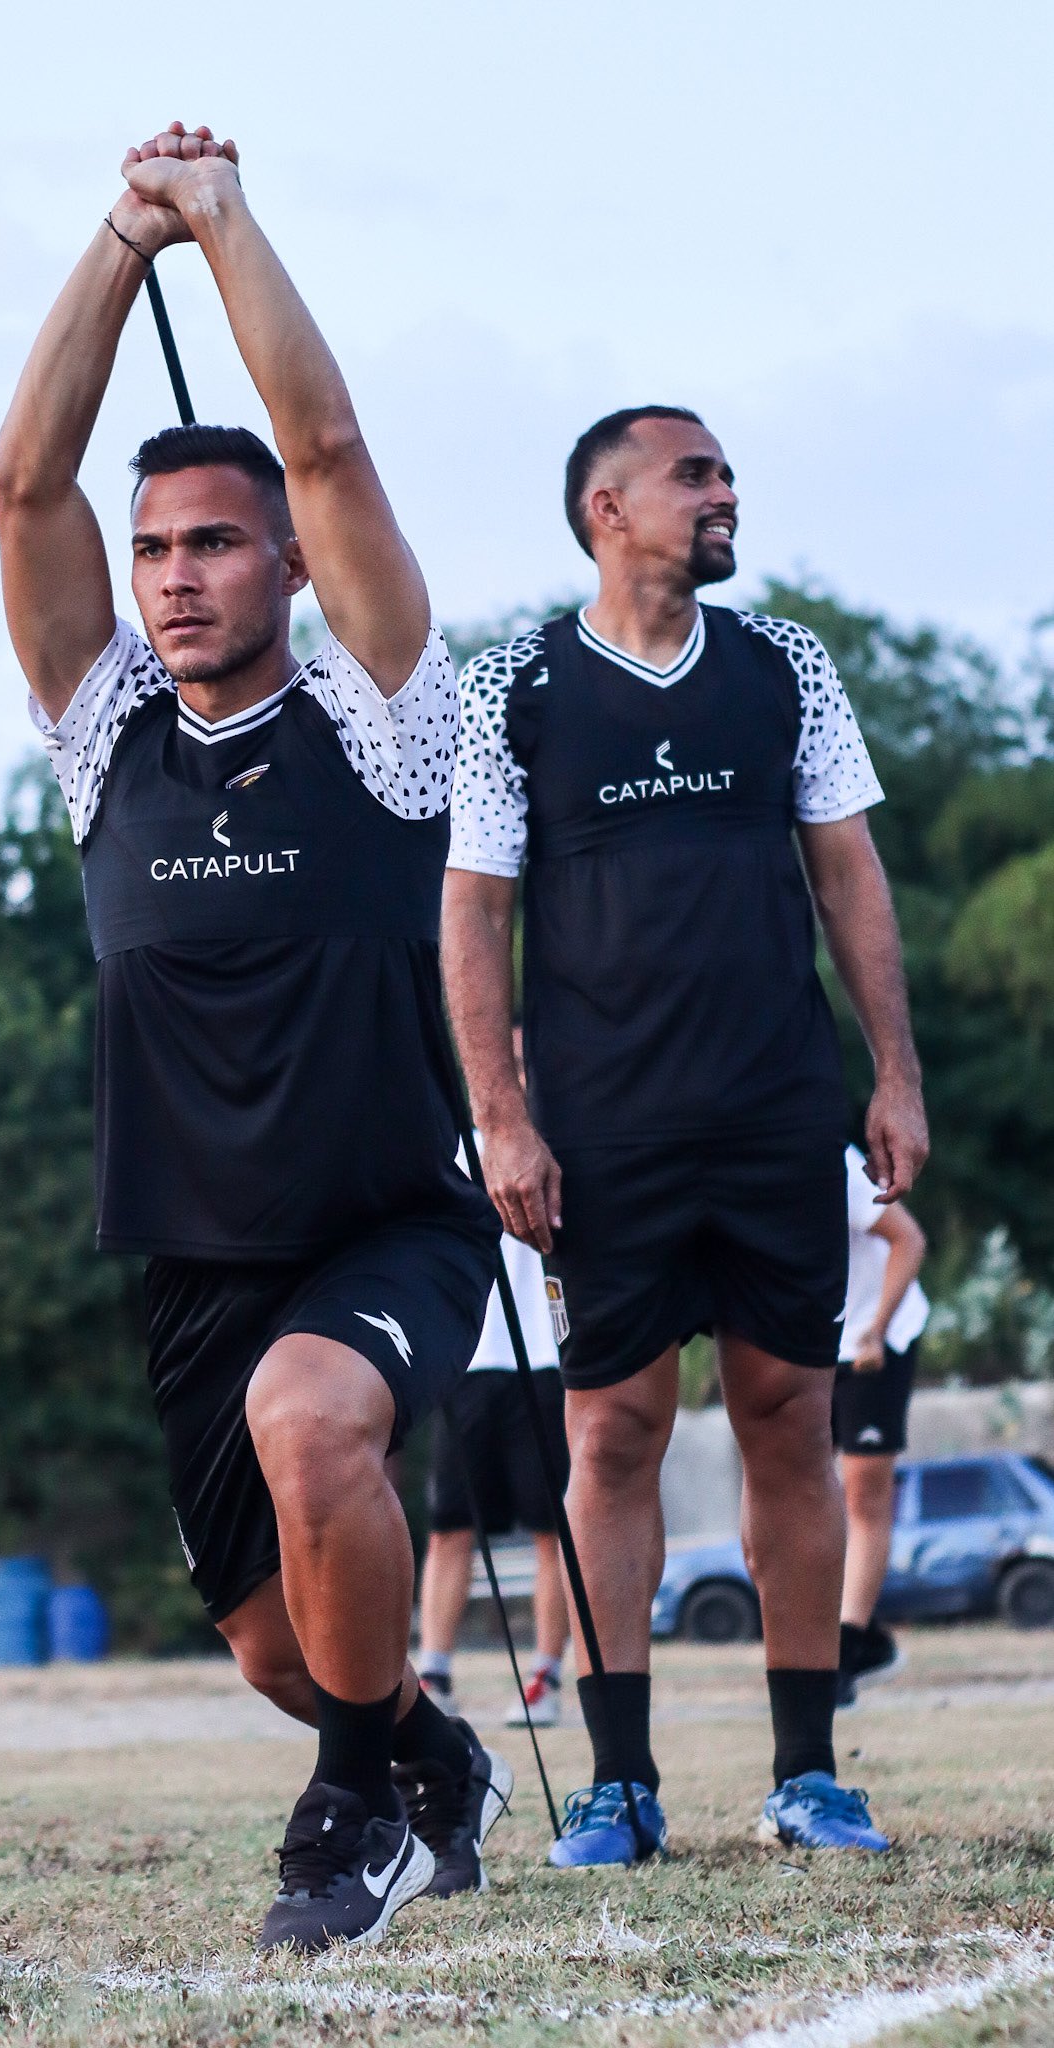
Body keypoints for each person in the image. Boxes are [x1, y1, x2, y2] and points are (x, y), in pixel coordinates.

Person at [0, 123, 509, 1952]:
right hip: (187, 1249)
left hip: (381, 1218)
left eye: (214, 540)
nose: (174, 573)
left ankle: (352, 1818)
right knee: (285, 1653)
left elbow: (331, 447)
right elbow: (18, 476)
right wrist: (114, 240)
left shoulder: (383, 723)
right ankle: (412, 1752)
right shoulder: (101, 734)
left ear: (287, 562)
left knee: (314, 1418)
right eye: (153, 549)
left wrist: (222, 226)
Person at [443, 405, 929, 1866]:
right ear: (606, 508)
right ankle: (617, 1786)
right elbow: (471, 910)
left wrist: (891, 1075)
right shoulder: (511, 685)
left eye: (721, 473)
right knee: (611, 1433)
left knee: (787, 1420)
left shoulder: (784, 666)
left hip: (776, 1111)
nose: (724, 494)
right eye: (694, 475)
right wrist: (499, 1119)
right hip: (601, 1134)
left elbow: (847, 875)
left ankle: (804, 1772)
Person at [418, 1120, 571, 1727]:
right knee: (449, 1525)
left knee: (551, 1530)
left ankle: (544, 1676)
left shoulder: (566, 1133)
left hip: (545, 1358)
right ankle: (433, 1672)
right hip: (471, 1359)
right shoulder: (455, 1147)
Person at [835, 1141, 928, 1706]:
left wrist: (875, 1330)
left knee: (863, 1497)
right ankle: (855, 1640)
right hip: (811, 1343)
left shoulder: (833, 1163)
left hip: (875, 1340)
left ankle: (845, 1653)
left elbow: (909, 1239)